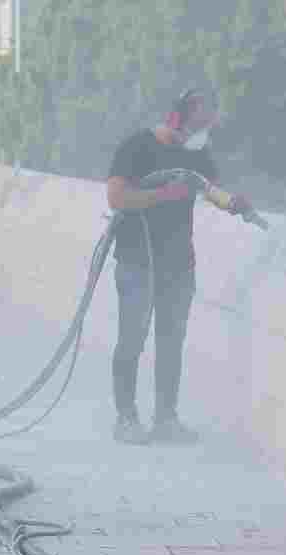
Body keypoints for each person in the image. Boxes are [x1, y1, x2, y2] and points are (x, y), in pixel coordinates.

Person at [105, 87, 252, 445]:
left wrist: (234, 203)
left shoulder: (196, 154)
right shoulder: (138, 147)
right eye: (200, 123)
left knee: (171, 344)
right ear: (177, 119)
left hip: (178, 265)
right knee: (132, 341)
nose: (204, 132)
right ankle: (126, 419)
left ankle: (166, 419)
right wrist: (162, 196)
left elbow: (208, 189)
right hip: (138, 261)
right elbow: (117, 197)